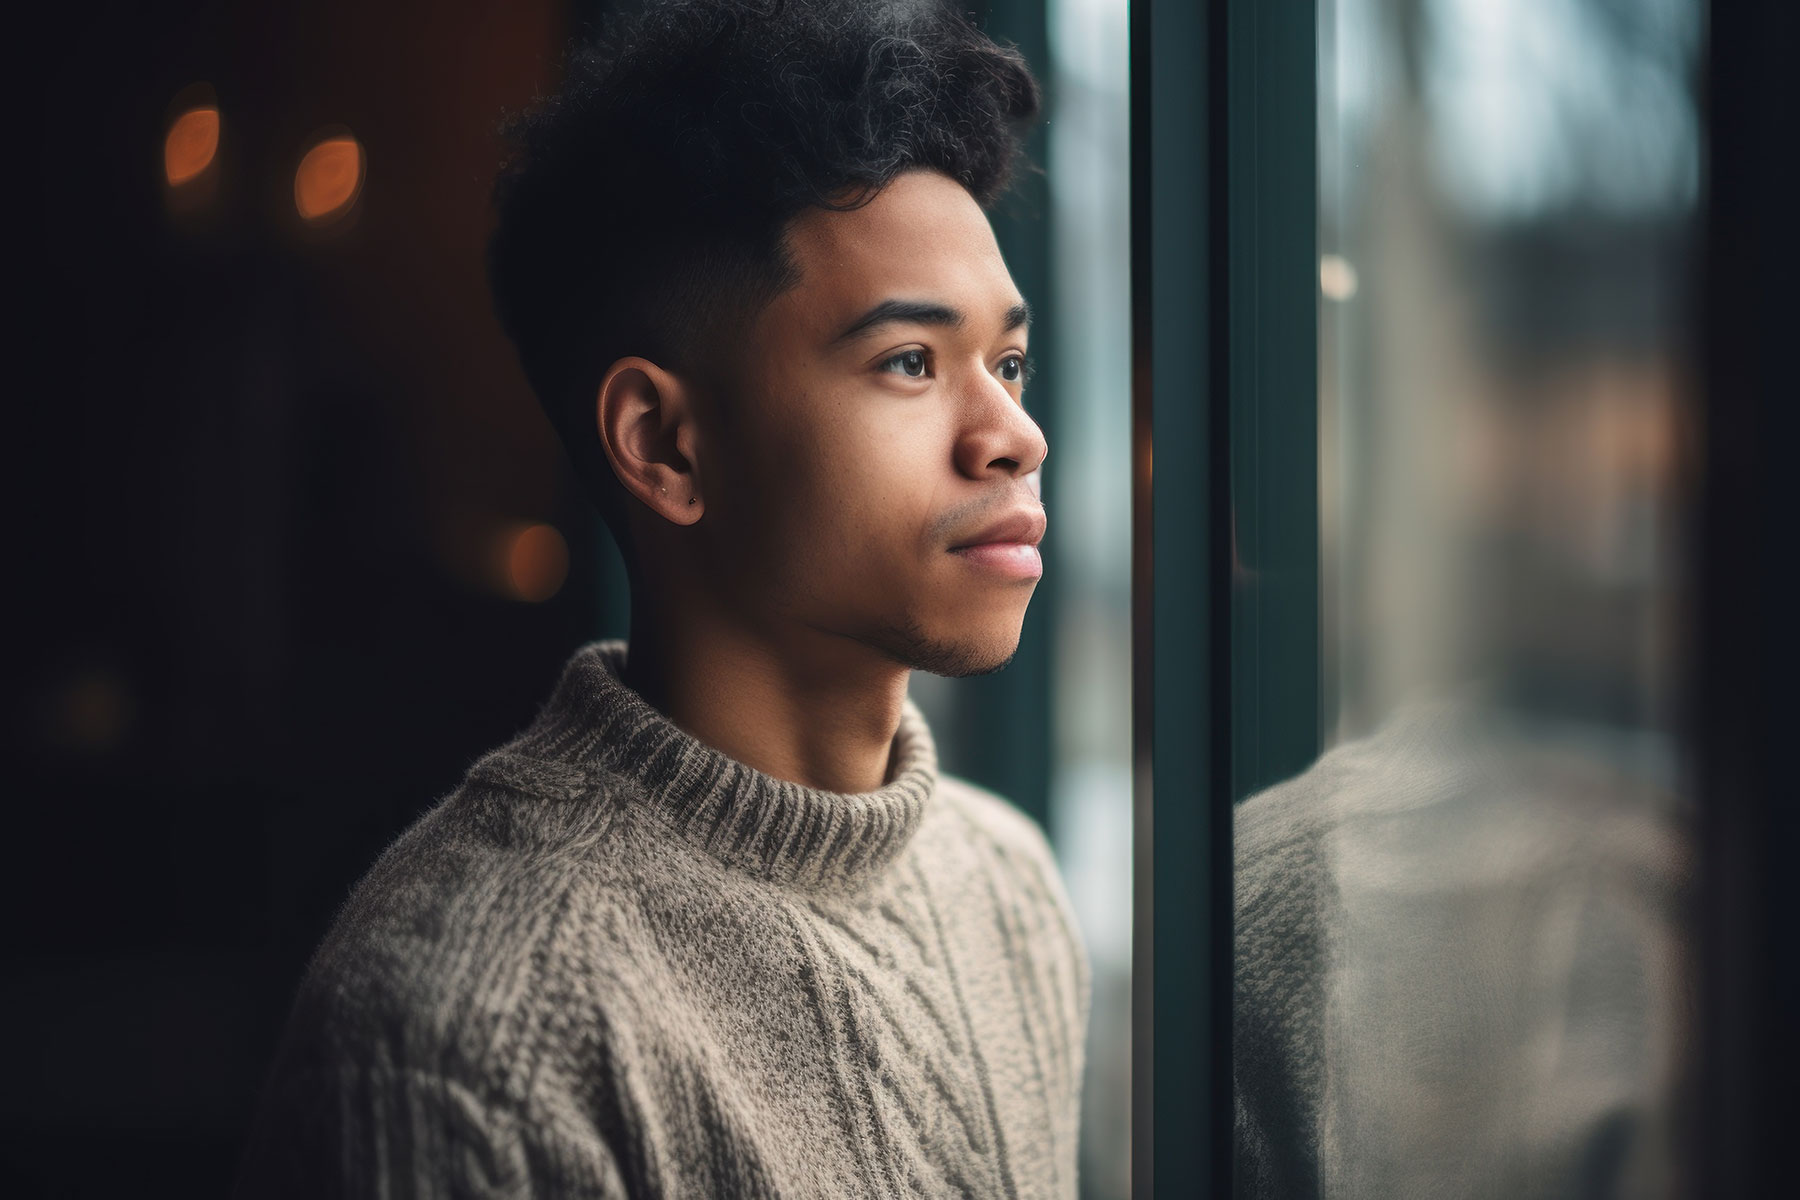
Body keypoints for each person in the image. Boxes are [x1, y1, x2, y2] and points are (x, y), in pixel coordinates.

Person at [231, 1, 1089, 1196]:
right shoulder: (465, 1047)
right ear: (666, 446)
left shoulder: (1011, 894)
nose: (1016, 436)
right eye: (909, 361)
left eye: (1007, 364)